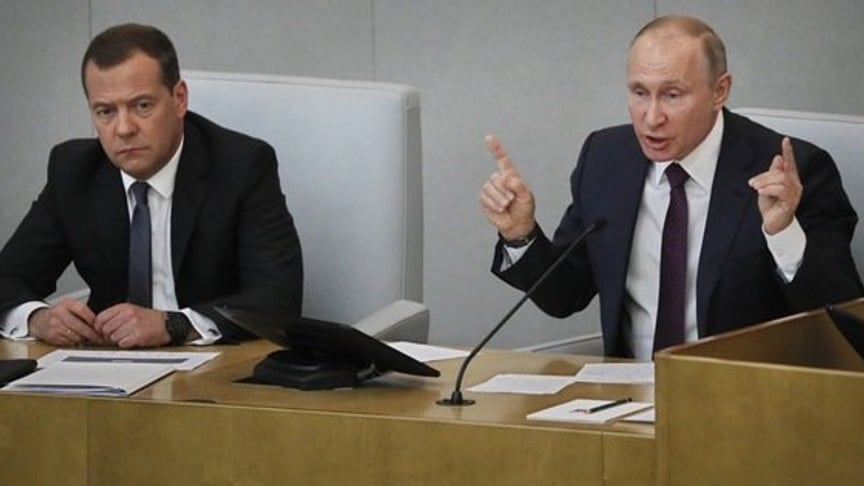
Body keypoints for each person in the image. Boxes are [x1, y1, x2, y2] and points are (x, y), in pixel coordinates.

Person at [480, 15, 863, 360]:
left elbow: (842, 319)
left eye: (672, 95)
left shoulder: (793, 171)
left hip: (745, 398)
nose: (652, 117)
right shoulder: (605, 159)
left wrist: (783, 233)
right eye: (639, 92)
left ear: (720, 91)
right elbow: (566, 295)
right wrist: (520, 235)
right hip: (629, 397)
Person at [0, 23, 303, 348]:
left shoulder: (241, 166)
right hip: (108, 366)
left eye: (142, 106)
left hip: (214, 365)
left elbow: (277, 299)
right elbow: (8, 278)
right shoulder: (74, 171)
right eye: (105, 112)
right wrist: (37, 318)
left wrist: (174, 324)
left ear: (179, 99)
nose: (124, 128)